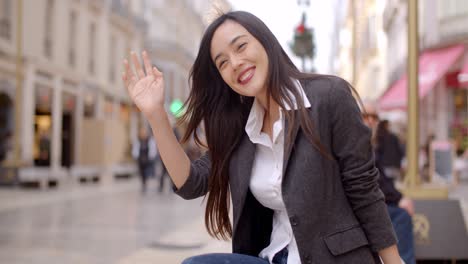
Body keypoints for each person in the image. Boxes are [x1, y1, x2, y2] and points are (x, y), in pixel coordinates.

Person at [122, 11, 401, 264]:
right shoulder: (242, 129)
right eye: (222, 63)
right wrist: (156, 115)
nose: (235, 63)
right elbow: (191, 183)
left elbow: (364, 188)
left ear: (265, 42)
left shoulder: (329, 97)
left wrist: (393, 262)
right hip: (273, 257)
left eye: (241, 46)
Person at [362, 102, 416, 264]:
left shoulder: (368, 144)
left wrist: (398, 198)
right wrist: (399, 199)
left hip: (365, 203)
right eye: (365, 116)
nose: (370, 121)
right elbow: (370, 182)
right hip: (357, 207)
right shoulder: (356, 143)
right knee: (401, 216)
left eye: (374, 117)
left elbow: (379, 179)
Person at [132, 126, 157, 193]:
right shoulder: (138, 140)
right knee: (142, 173)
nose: (143, 134)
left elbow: (152, 149)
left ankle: (147, 182)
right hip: (140, 160)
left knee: (147, 172)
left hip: (148, 160)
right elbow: (135, 150)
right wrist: (136, 156)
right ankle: (144, 184)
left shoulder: (149, 140)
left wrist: (151, 157)